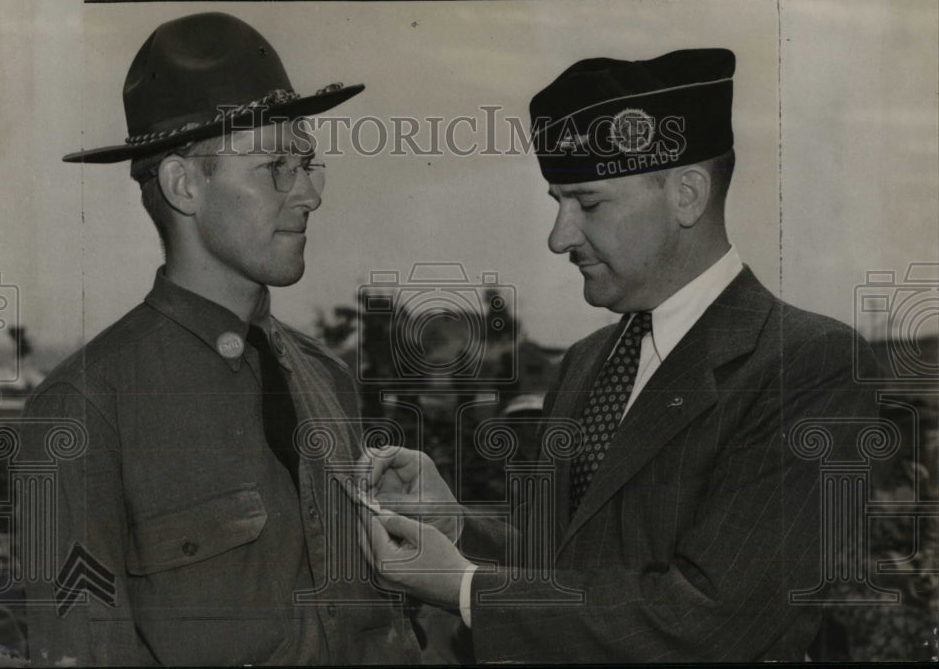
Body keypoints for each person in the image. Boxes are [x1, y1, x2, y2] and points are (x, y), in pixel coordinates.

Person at [360, 49, 881, 662]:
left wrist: (463, 586)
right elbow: (569, 566)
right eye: (557, 202)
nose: (559, 236)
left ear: (686, 196)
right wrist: (453, 529)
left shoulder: (807, 365)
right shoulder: (588, 363)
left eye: (589, 203)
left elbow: (715, 621)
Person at [22, 12, 421, 666]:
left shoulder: (328, 380)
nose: (311, 193)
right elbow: (81, 649)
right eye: (276, 167)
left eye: (309, 162)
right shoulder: (84, 408)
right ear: (185, 186)